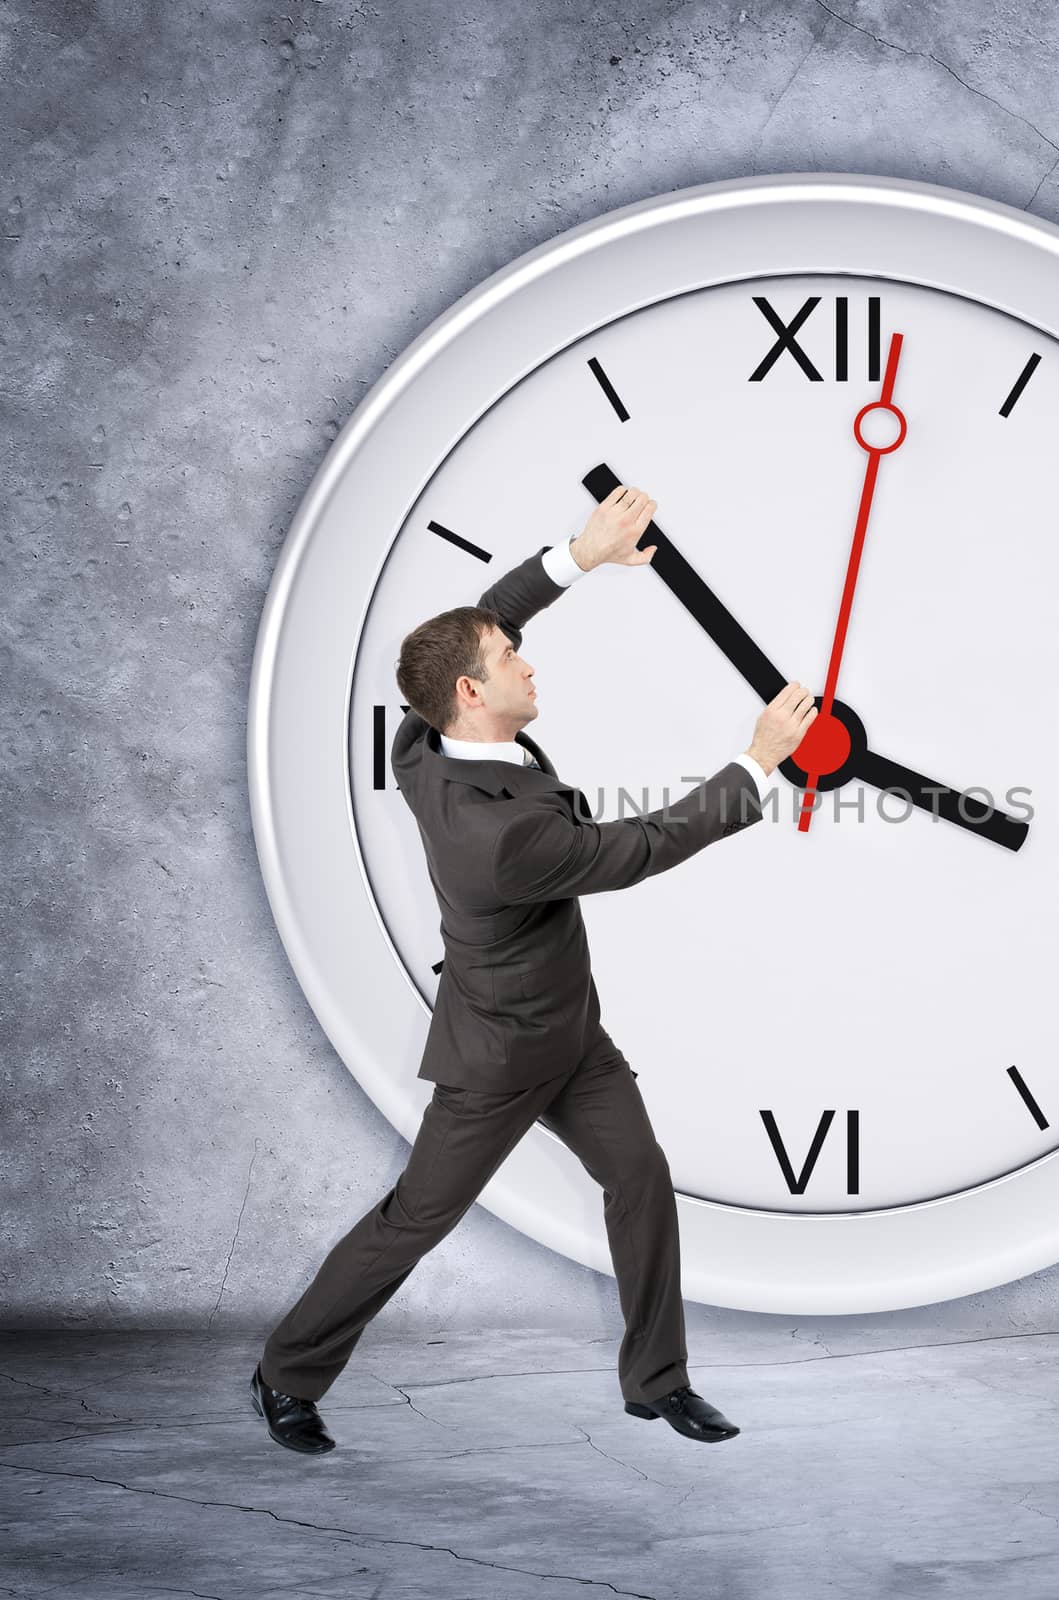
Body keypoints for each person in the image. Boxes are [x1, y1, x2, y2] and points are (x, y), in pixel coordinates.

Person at [250, 484, 816, 1454]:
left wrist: (579, 555)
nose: (524, 659)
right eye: (509, 661)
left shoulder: (424, 739)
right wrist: (759, 760)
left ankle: (657, 1381)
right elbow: (643, 845)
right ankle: (286, 1373)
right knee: (413, 1221)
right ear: (475, 692)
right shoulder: (501, 836)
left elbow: (487, 619)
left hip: (569, 1033)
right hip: (496, 1059)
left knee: (638, 1178)